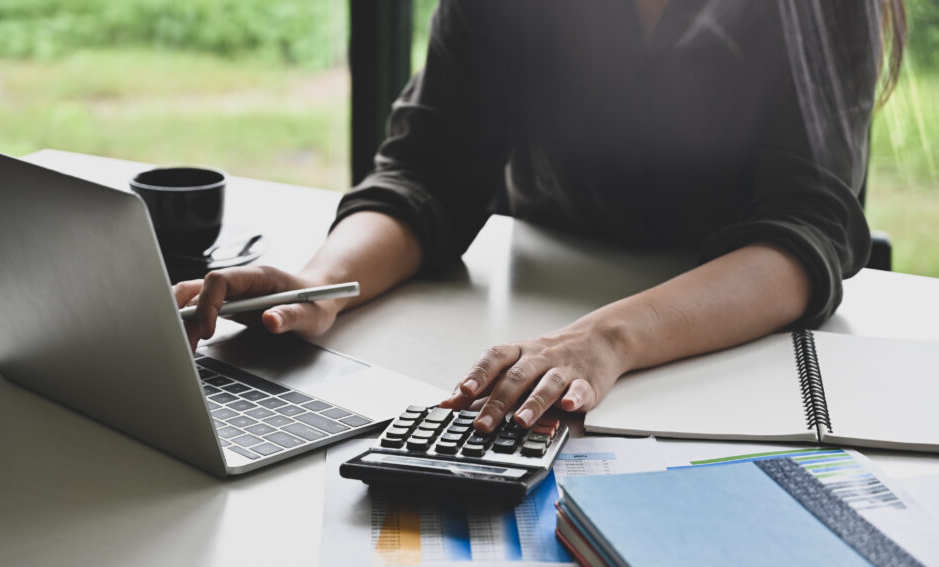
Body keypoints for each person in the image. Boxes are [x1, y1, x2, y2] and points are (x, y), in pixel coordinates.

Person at [175, 0, 906, 434]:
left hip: (736, 366)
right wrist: (320, 283)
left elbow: (803, 232)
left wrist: (606, 338)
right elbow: (429, 172)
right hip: (542, 333)